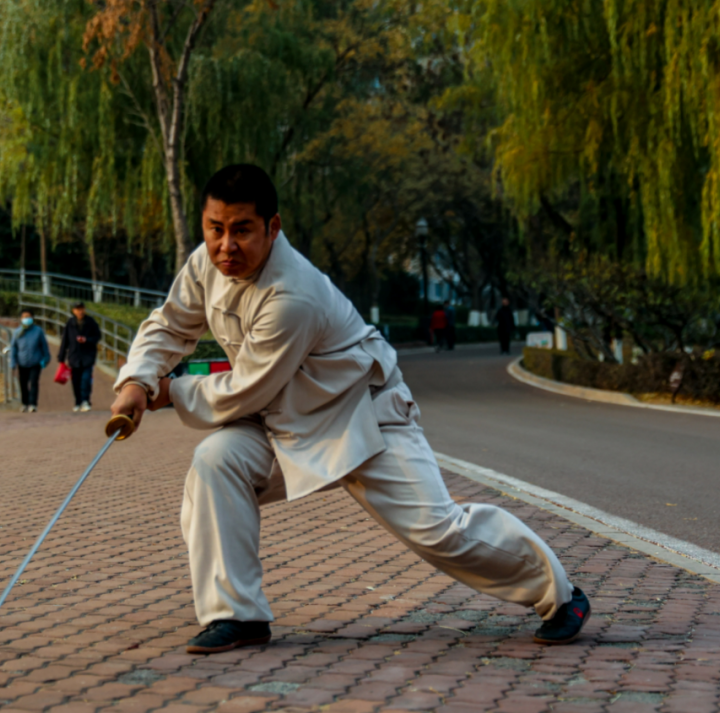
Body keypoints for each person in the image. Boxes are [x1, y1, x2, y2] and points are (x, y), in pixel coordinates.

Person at [110, 164, 589, 655]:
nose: (226, 246)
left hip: (362, 417)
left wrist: (168, 392)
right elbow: (170, 324)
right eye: (215, 229)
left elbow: (245, 389)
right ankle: (237, 615)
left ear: (273, 227)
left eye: (242, 230)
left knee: (440, 532)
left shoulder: (292, 294)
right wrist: (136, 380)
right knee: (216, 462)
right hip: (280, 419)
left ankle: (561, 595)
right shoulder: (205, 264)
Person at [58, 302, 102, 412]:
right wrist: (61, 356)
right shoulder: (70, 323)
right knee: (75, 381)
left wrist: (87, 340)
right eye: (78, 309)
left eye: (82, 309)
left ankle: (85, 401)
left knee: (86, 380)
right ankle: (78, 402)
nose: (80, 311)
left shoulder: (90, 322)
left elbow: (97, 336)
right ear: (74, 311)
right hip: (74, 356)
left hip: (88, 356)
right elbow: (65, 340)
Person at [9, 309, 49, 412]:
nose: (27, 318)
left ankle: (33, 403)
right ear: (21, 318)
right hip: (22, 362)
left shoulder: (38, 331)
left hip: (35, 362)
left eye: (29, 316)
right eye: (24, 317)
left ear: (32, 318)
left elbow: (44, 346)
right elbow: (13, 347)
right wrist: (13, 362)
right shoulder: (17, 332)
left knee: (34, 382)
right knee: (23, 383)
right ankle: (25, 403)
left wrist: (46, 358)